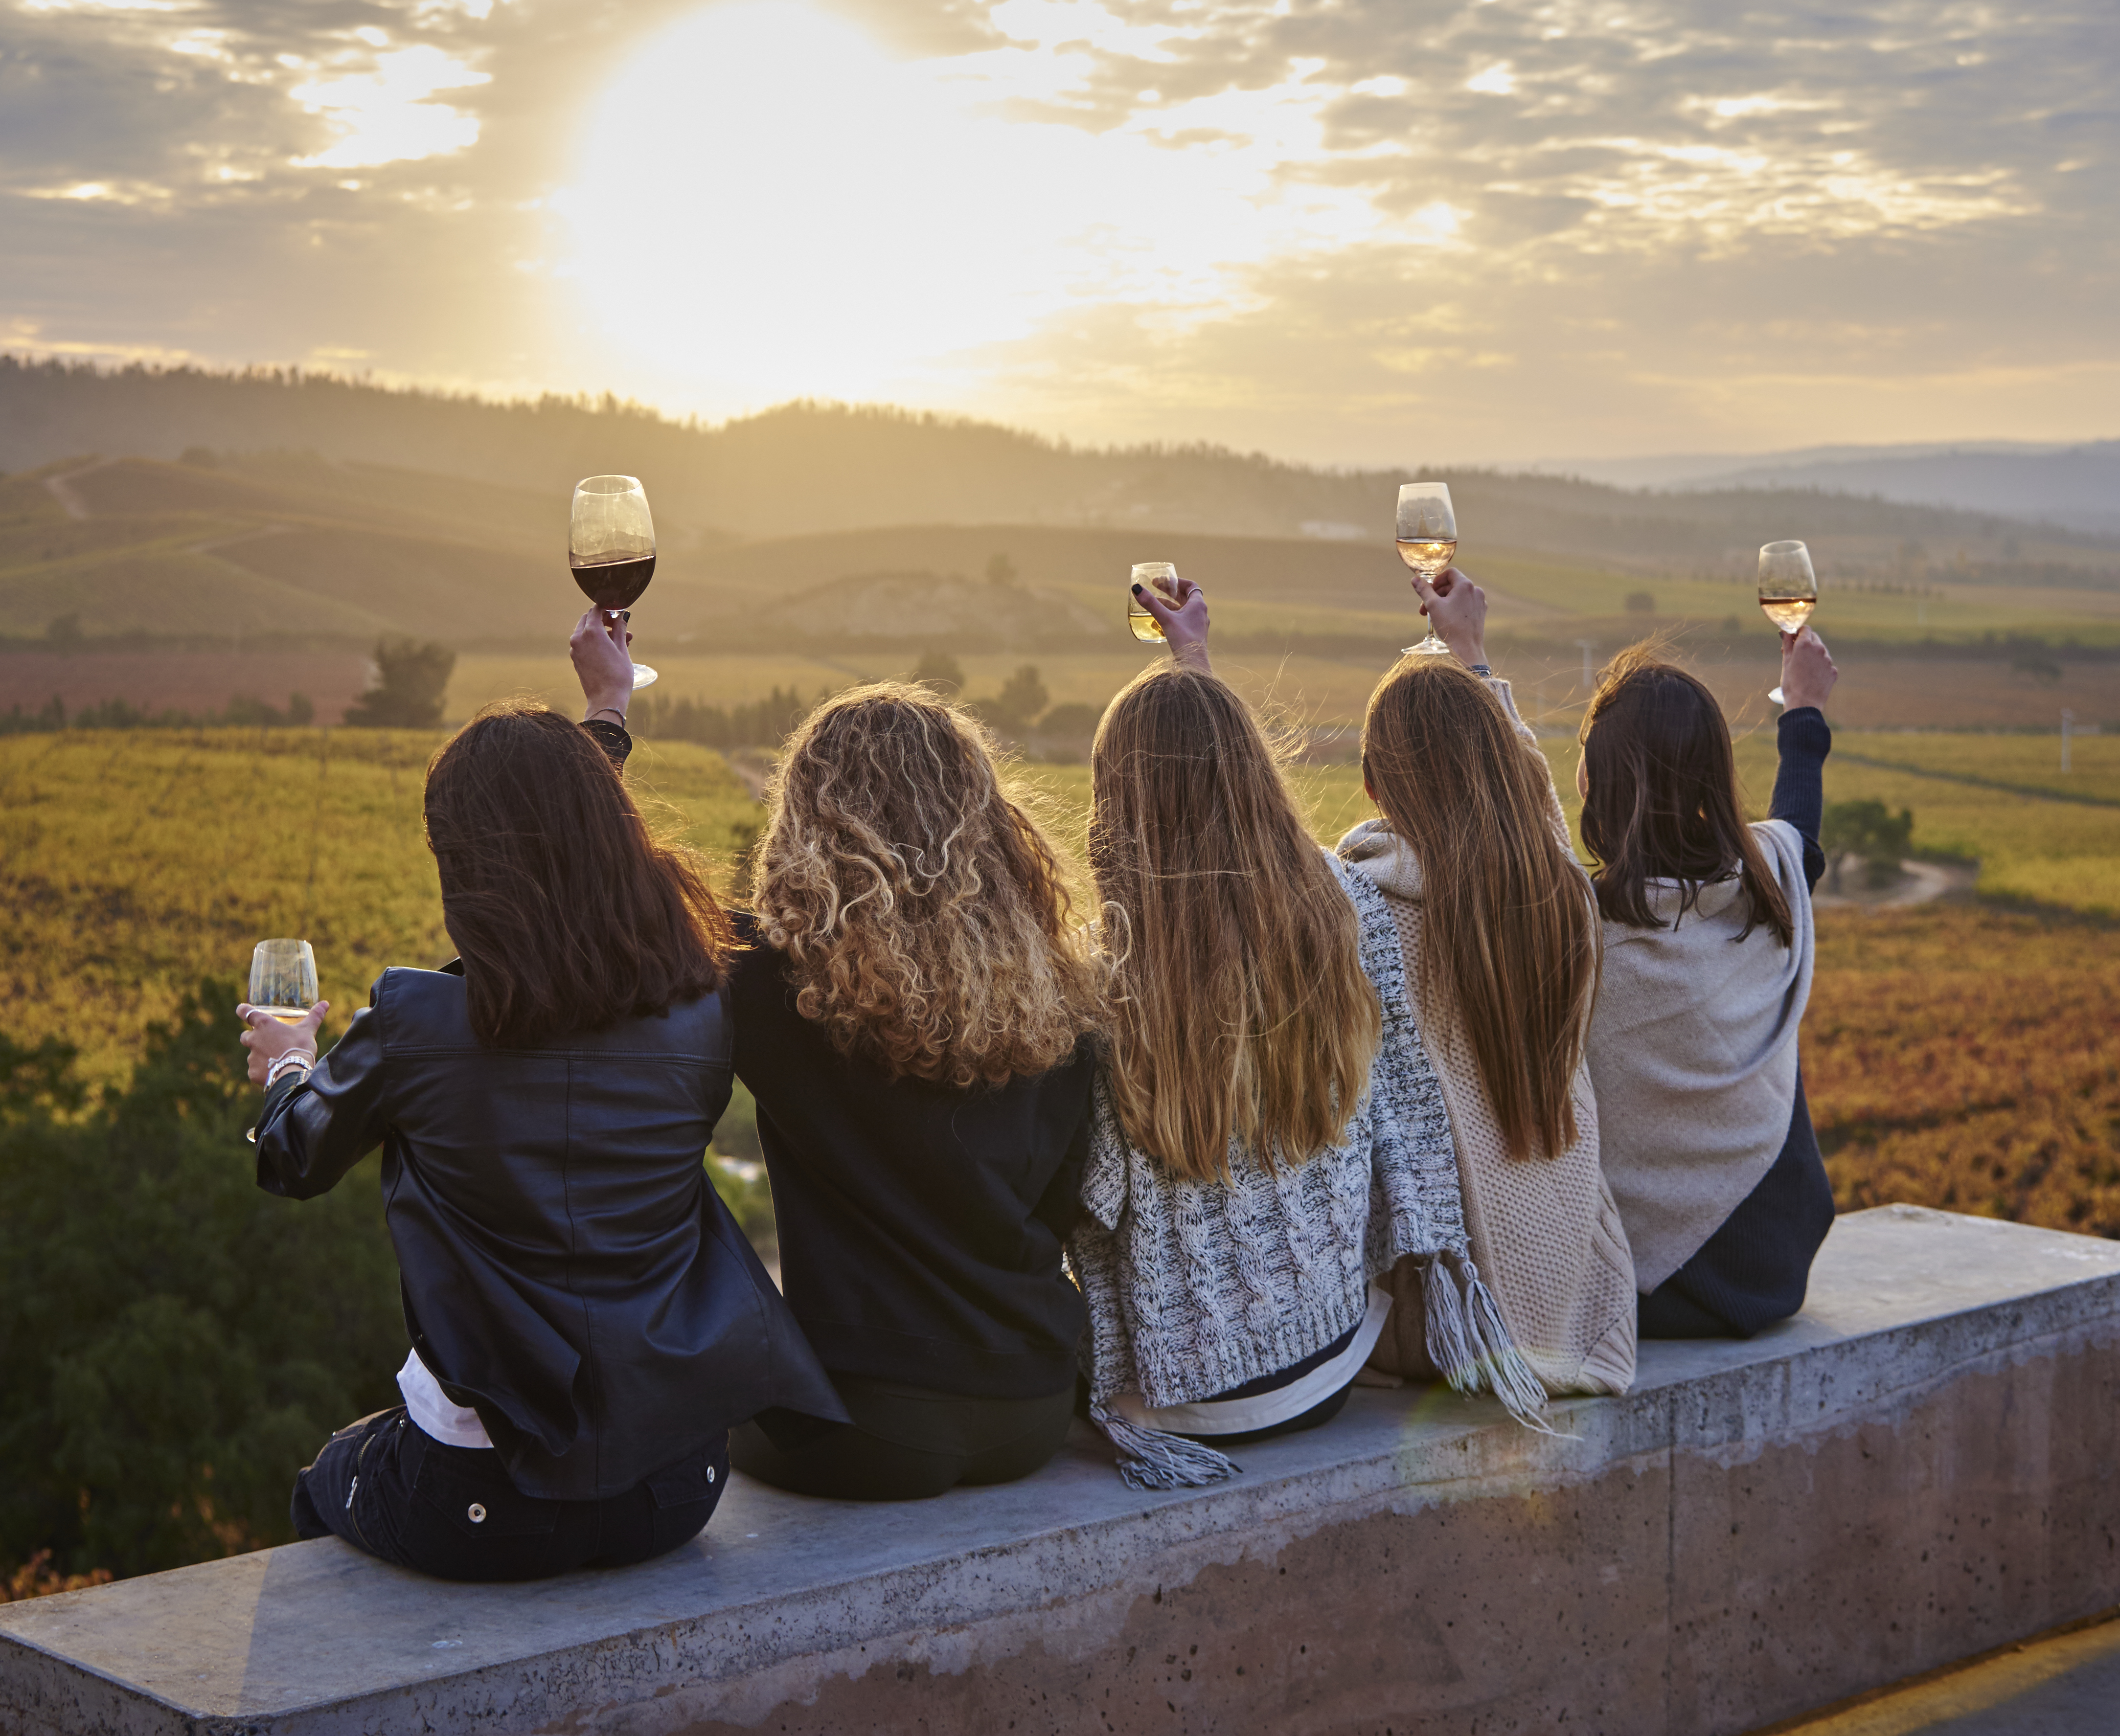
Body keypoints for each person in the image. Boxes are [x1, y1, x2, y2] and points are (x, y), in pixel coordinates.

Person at [239, 616, 841, 1581]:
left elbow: (292, 1157)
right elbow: (577, 855)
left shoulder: (416, 1022)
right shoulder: (698, 1001)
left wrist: (287, 1060)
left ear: (462, 870)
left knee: (324, 1483)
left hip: (476, 1504)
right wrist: (605, 715)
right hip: (678, 1486)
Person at [1074, 577, 1534, 1490]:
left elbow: (1093, 1201)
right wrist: (1192, 672)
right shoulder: (1345, 912)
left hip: (1183, 1404)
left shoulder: (1111, 976)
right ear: (1257, 774)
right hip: (1329, 1363)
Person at [722, 682, 1106, 1501]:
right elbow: (1063, 1201)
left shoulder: (765, 981)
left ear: (808, 823)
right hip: (1032, 1407)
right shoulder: (1058, 991)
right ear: (986, 819)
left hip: (857, 1423)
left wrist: (607, 720)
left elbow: (600, 908)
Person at [1341, 567, 1637, 1400]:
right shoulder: (1561, 896)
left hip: (1433, 1322)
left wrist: (1195, 672)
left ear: (1373, 785)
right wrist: (1472, 657)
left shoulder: (1357, 911)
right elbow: (1535, 808)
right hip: (1566, 1292)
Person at [1576, 626, 1840, 1340]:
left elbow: (1499, 836)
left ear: (1597, 782)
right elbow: (1799, 823)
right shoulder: (1770, 886)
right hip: (1779, 1265)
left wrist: (1473, 663)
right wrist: (1802, 708)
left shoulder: (1578, 927)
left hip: (1650, 1286)